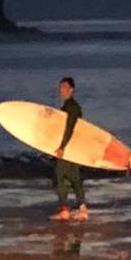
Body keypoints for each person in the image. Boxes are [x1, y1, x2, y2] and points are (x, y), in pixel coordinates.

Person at [52, 76, 89, 222]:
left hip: (69, 149)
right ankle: (82, 209)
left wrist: (62, 147)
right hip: (74, 148)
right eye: (61, 87)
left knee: (59, 177)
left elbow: (70, 128)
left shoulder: (71, 107)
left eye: (65, 88)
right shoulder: (69, 106)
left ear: (71, 90)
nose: (62, 90)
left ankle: (65, 210)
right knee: (75, 178)